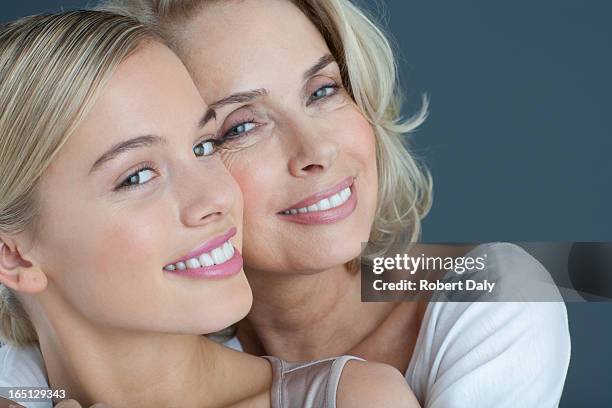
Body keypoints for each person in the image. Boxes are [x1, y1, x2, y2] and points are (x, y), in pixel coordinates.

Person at [93, 1, 568, 406]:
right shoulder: (118, 339)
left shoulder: (495, 291)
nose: (317, 150)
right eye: (240, 126)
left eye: (322, 91)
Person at [0, 10, 419, 408]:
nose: (218, 196)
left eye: (204, 146)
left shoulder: (355, 398)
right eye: (139, 176)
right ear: (13, 254)